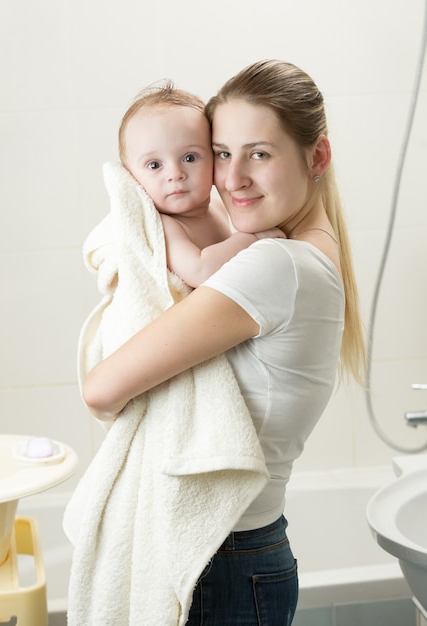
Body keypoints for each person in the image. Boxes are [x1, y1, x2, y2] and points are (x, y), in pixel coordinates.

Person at [83, 60, 366, 624]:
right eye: (222, 152)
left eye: (259, 153)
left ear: (317, 156)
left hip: (222, 558)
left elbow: (101, 389)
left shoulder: (275, 265)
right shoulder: (298, 256)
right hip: (242, 551)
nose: (232, 177)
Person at [118, 82, 285, 288]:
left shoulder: (218, 205)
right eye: (154, 165)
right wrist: (253, 238)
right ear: (131, 175)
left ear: (214, 157)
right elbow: (200, 271)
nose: (175, 174)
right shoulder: (167, 226)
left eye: (190, 158)